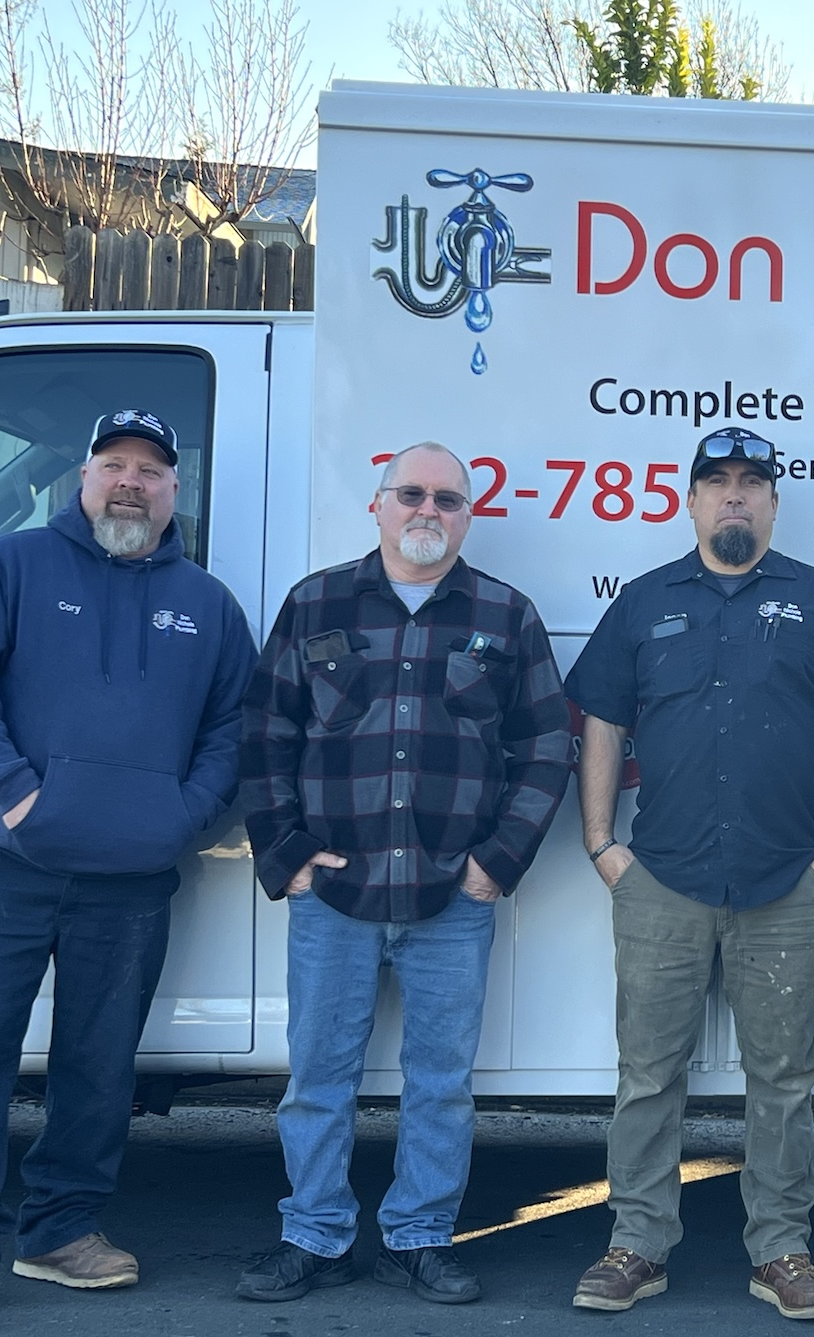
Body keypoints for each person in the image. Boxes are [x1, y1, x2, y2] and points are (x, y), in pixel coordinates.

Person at [0, 409, 257, 1328]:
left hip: (133, 877)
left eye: (150, 469)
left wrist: (182, 820)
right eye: (114, 464)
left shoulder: (209, 604)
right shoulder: (12, 567)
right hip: (2, 861)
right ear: (84, 476)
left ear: (176, 490)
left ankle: (61, 1228)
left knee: (100, 1064)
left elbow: (234, 731)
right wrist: (15, 793)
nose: (131, 482)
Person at [562, 426, 814, 1322]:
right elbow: (600, 719)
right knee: (647, 1074)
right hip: (660, 879)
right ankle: (636, 1243)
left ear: (775, 503)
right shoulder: (642, 603)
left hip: (789, 881)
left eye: (753, 482)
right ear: (692, 499)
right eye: (718, 482)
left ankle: (781, 1251)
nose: (736, 496)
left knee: (783, 1077)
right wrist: (603, 844)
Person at [235, 442, 573, 1308]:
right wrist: (287, 853)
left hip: (451, 899)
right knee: (316, 1081)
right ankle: (313, 1234)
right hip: (333, 899)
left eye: (449, 499)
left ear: (469, 515)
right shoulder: (316, 603)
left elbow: (545, 748)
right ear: (379, 505)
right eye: (412, 494)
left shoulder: (506, 614)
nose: (429, 510)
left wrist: (497, 864)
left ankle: (419, 1236)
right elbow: (265, 736)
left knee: (441, 1085)